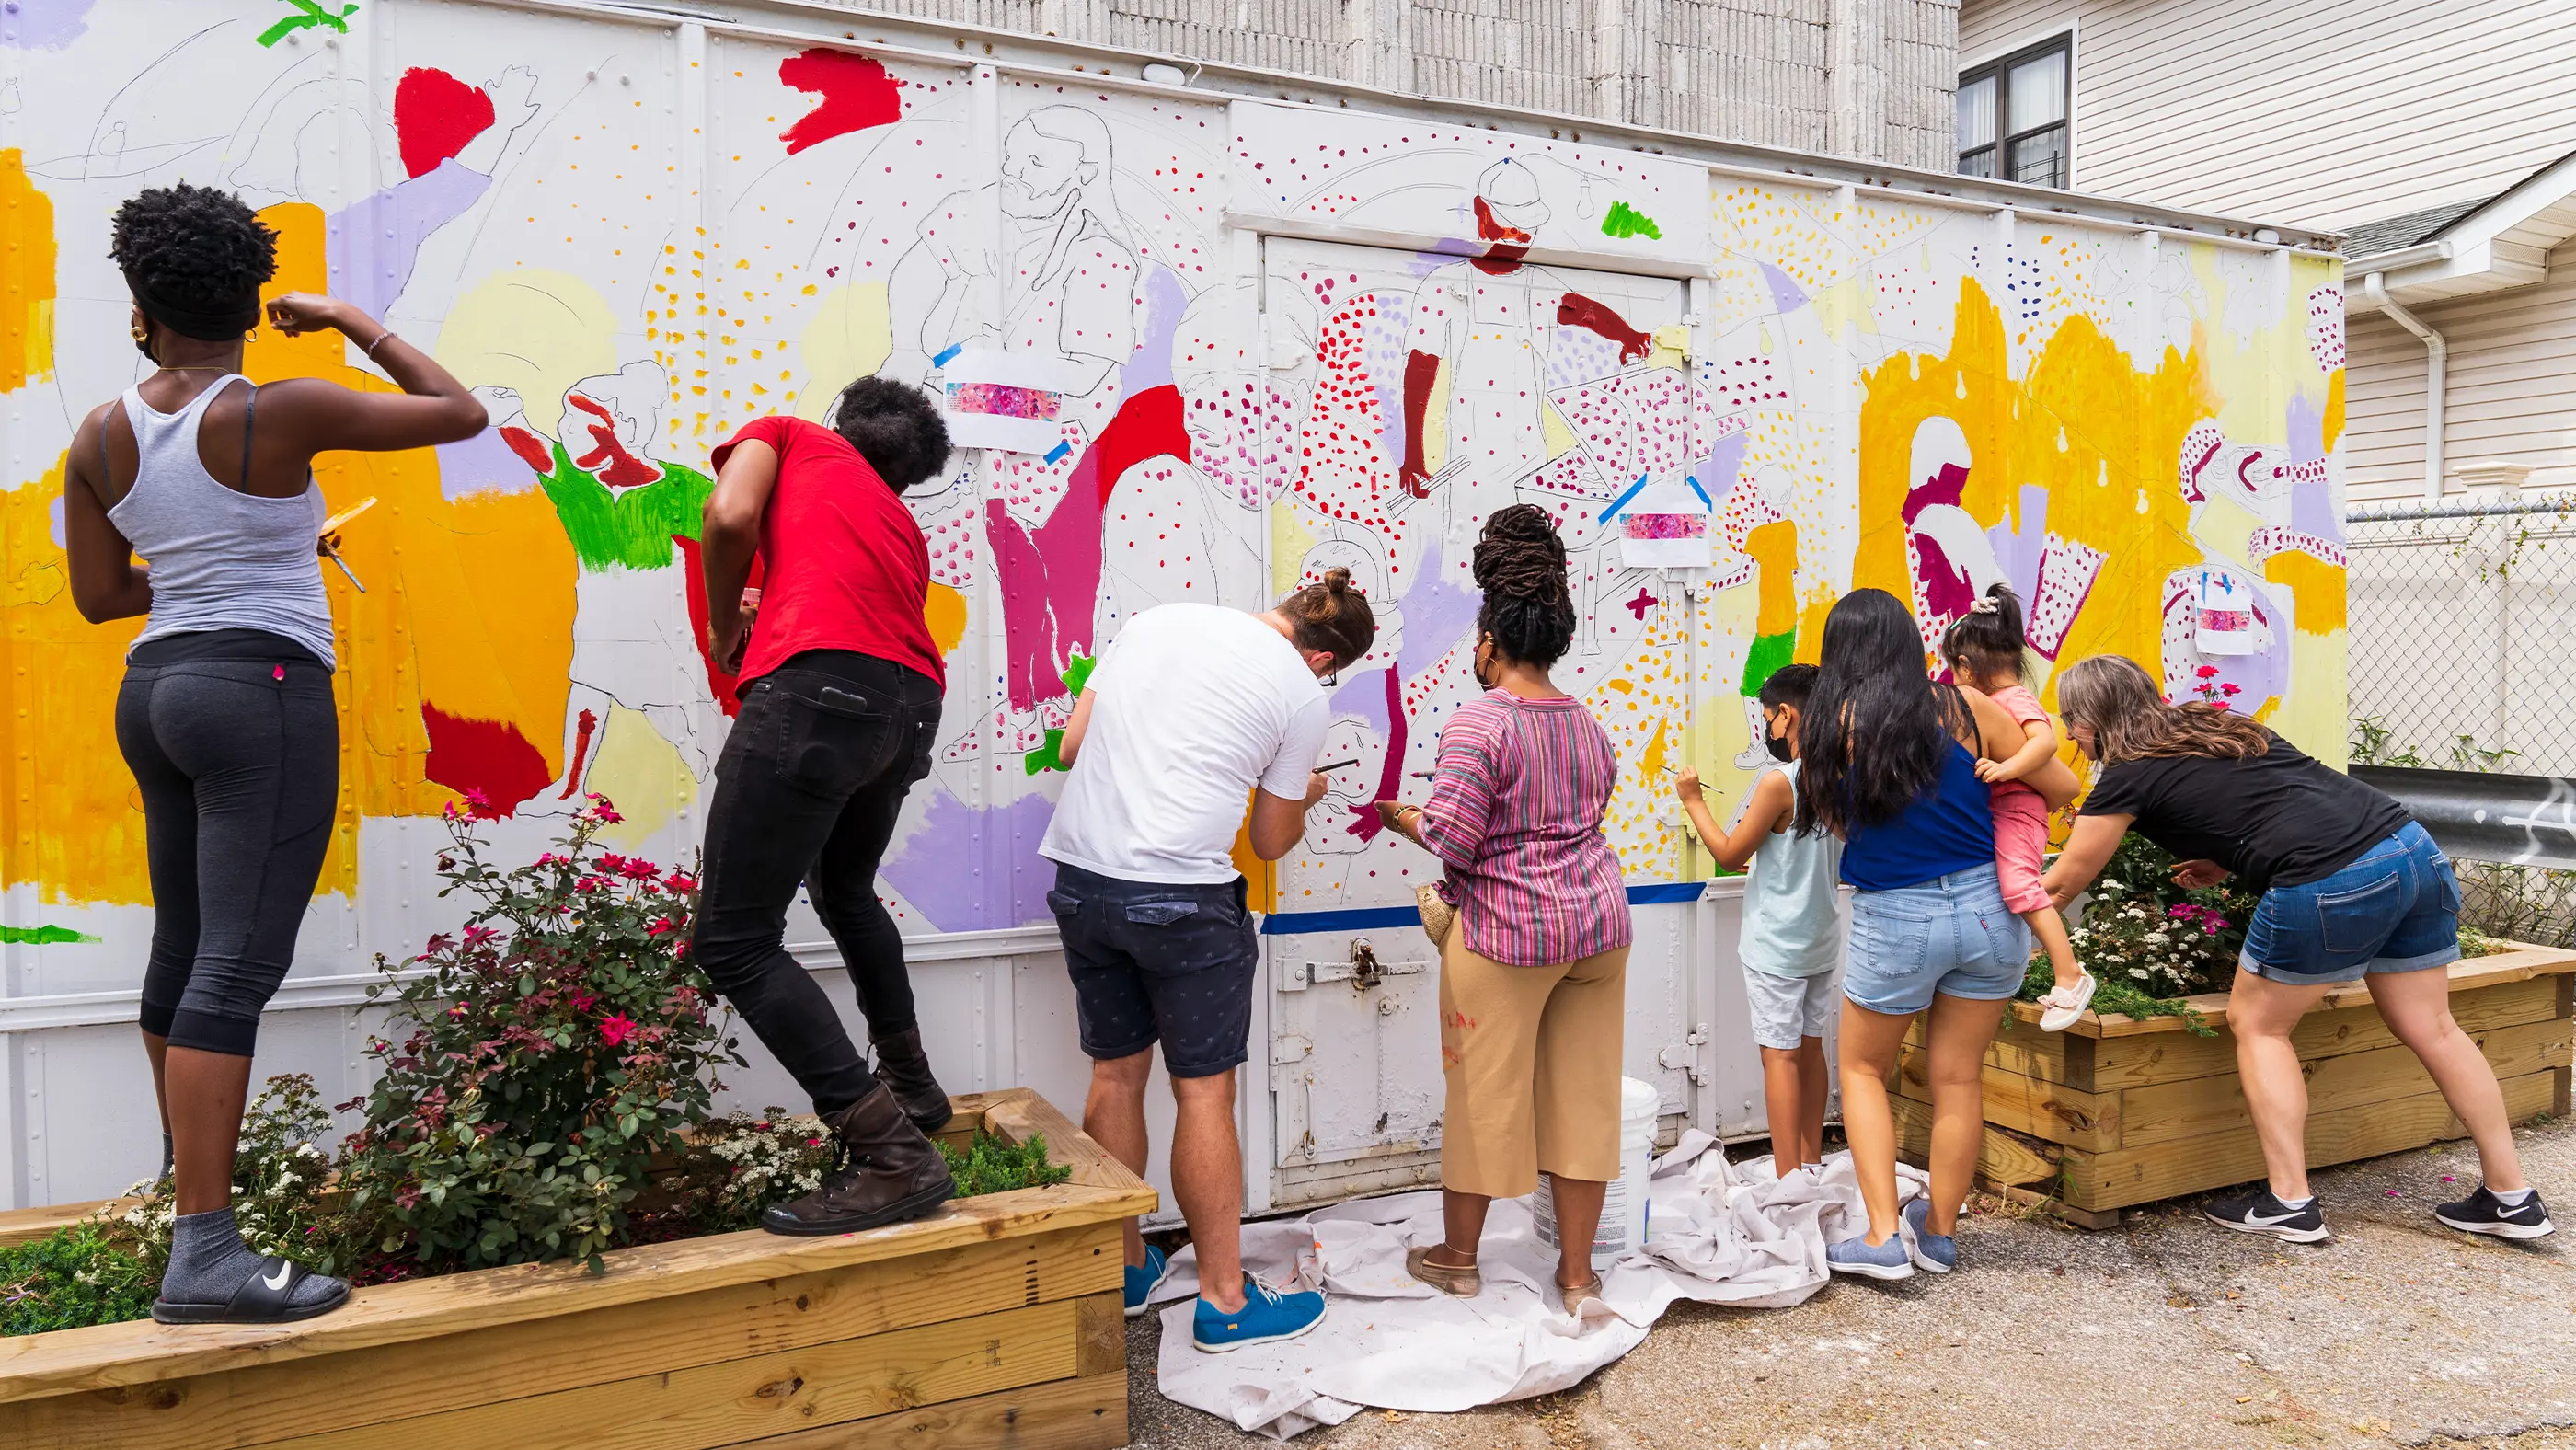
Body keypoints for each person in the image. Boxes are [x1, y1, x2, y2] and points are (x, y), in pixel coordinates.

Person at [62, 184, 488, 1323]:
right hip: (262, 688)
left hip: (155, 690)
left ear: (141, 303)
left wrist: (200, 564)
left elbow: (103, 597)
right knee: (236, 971)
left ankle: (182, 1182)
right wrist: (348, 320)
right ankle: (204, 1254)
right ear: (254, 302)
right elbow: (459, 414)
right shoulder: (277, 409)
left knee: (186, 946)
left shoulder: (98, 433)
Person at [2042, 654, 2554, 1242]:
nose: (2072, 735)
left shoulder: (2128, 774)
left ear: (2093, 718)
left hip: (2332, 877)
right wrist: (2223, 858)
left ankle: (2289, 1202)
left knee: (2258, 1025)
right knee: (2435, 1026)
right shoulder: (2220, 726)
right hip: (2411, 849)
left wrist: (1989, 913)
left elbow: (2061, 884)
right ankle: (2512, 1197)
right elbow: (2276, 799)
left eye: (2072, 721)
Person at [1041, 571, 1377, 1351]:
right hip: (1183, 903)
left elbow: (1071, 745)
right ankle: (1225, 1304)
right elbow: (1267, 841)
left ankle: (1125, 1269)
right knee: (1203, 1097)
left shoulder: (1155, 620)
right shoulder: (1301, 693)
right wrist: (1305, 793)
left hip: (1085, 883)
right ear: (1324, 657)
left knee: (1115, 1074)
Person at [692, 377, 964, 1236]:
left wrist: (723, 629)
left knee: (732, 941)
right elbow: (865, 617)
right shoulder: (897, 523)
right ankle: (914, 1087)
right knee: (845, 893)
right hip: (910, 703)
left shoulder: (788, 433)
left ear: (843, 423)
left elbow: (729, 520)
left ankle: (891, 1152)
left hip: (821, 693)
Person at [1372, 504, 1631, 1316]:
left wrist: (1399, 814)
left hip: (1508, 936)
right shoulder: (1585, 722)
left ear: (1489, 641)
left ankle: (1457, 1259)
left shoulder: (1480, 722)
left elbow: (1454, 837)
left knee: (1484, 1093)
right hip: (1597, 927)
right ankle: (1579, 1276)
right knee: (1586, 1097)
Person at [1799, 588, 2079, 1281]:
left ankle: (1882, 1234)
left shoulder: (1825, 730)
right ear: (1907, 642)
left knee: (1865, 1071)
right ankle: (1943, 1233)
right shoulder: (1968, 708)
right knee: (1959, 1077)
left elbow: (1840, 829)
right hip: (1990, 908)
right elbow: (2061, 784)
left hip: (1896, 914)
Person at [1676, 663, 1837, 1178]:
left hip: (1776, 944)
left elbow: (1725, 854)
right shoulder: (1841, 775)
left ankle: (1788, 1177)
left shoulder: (1778, 782)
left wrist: (1694, 800)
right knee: (1811, 1051)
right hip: (1820, 939)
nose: (1767, 729)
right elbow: (1806, 849)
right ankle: (1810, 1162)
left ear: (1786, 716)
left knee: (1780, 1059)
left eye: (1767, 718)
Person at [1939, 584, 2094, 1030]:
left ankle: (2070, 974)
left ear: (1966, 667)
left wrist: (2007, 770)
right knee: (2013, 888)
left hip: (2019, 809)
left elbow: (2044, 743)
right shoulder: (1996, 702)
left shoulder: (2014, 700)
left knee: (2021, 887)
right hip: (2008, 810)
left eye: (1953, 668)